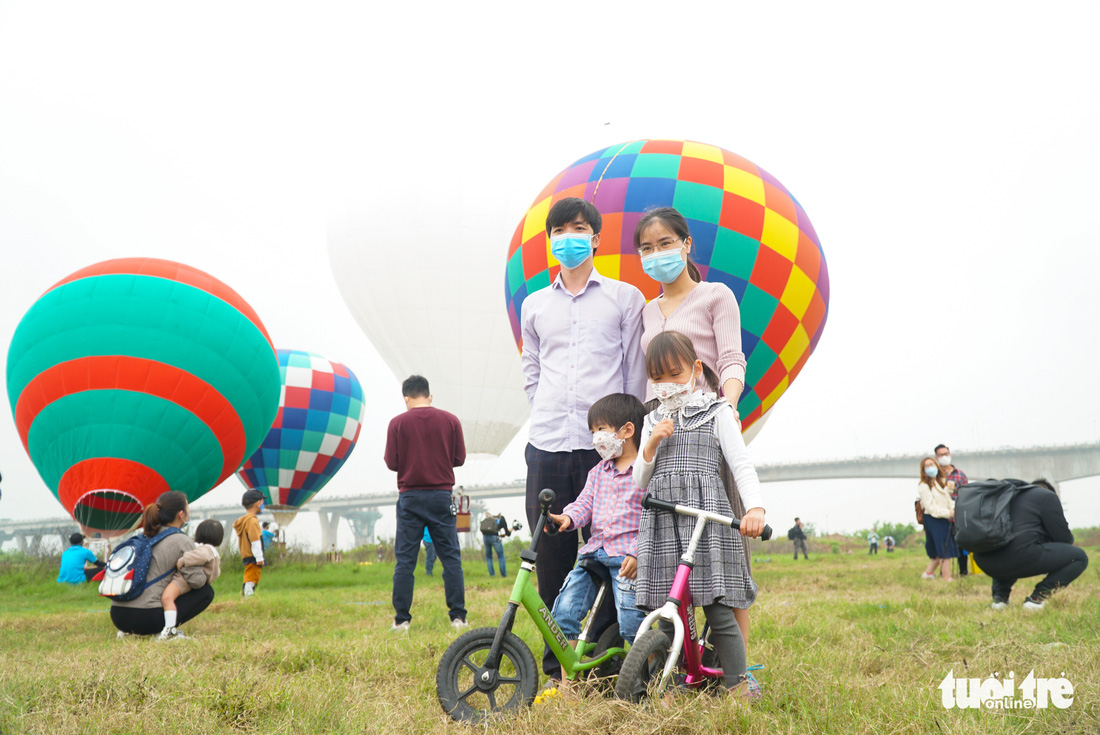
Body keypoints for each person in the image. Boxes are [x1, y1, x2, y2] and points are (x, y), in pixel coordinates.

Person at [520, 197, 646, 676]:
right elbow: (531, 371)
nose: (568, 238)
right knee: (552, 558)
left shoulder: (623, 297)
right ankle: (557, 664)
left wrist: (627, 440)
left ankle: (602, 659)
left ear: (595, 238)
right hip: (549, 444)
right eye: (559, 231)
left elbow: (634, 375)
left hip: (609, 452)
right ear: (549, 241)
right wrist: (547, 413)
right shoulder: (535, 305)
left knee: (613, 555)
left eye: (578, 229)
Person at [634, 207, 758, 649]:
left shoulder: (715, 295)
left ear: (686, 245)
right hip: (665, 428)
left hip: (707, 423)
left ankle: (738, 665)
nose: (656, 255)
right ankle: (677, 655)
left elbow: (730, 358)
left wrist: (728, 404)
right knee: (669, 543)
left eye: (665, 244)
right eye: (646, 248)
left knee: (726, 544)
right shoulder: (647, 311)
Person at [634, 331, 766, 697]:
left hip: (706, 518)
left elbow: (740, 462)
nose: (666, 385)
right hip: (663, 518)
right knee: (667, 607)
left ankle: (738, 685)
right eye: (657, 378)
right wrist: (652, 443)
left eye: (674, 374)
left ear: (694, 369)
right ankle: (675, 682)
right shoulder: (652, 420)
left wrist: (755, 507)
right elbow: (639, 479)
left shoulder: (718, 410)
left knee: (717, 606)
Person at [547, 393, 648, 652]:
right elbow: (583, 504)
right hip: (593, 555)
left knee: (631, 623)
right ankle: (568, 682)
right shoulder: (598, 472)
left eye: (601, 430)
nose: (596, 439)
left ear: (627, 430)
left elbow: (654, 519)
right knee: (564, 612)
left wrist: (638, 554)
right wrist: (567, 518)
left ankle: (651, 674)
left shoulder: (645, 472)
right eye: (593, 432)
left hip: (627, 558)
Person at [385, 374, 468, 631]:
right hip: (441, 495)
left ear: (406, 398)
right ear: (429, 396)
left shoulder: (397, 423)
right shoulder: (450, 420)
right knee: (451, 558)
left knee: (405, 561)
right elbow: (459, 458)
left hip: (410, 497)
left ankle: (402, 620)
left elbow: (391, 463)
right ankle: (458, 617)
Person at [109, 491, 215, 637]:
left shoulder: (143, 536)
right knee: (206, 591)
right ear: (180, 514)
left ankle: (127, 632)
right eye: (187, 509)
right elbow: (196, 581)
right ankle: (168, 630)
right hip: (146, 617)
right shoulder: (182, 540)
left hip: (118, 615)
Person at [974, 479, 1089, 611]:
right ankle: (1037, 599)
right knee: (1079, 557)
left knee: (1008, 546)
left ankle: (1000, 599)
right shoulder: (1047, 496)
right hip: (1019, 556)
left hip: (985, 561)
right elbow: (1065, 539)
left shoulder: (1008, 497)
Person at [158, 519, 223, 641]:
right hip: (194, 583)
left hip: (183, 580)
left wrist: (181, 561)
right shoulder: (214, 552)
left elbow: (195, 556)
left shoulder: (204, 549)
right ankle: (170, 628)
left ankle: (169, 629)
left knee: (167, 598)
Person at [917, 457, 958, 581]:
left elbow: (948, 500)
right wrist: (948, 513)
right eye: (927, 466)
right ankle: (947, 577)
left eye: (932, 464)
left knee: (937, 550)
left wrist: (954, 509)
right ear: (923, 470)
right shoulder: (924, 486)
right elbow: (931, 508)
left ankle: (928, 574)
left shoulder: (941, 482)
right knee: (944, 548)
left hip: (944, 517)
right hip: (933, 519)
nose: (930, 467)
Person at [935, 444, 970, 575]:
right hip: (941, 515)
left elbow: (966, 494)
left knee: (961, 544)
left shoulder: (960, 475)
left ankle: (963, 571)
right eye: (941, 455)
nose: (944, 457)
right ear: (936, 457)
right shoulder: (935, 475)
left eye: (946, 454)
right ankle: (943, 572)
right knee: (942, 545)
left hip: (958, 515)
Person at [234, 489, 266, 597]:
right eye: (262, 502)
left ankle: (247, 596)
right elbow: (255, 540)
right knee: (251, 578)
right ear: (258, 503)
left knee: (252, 576)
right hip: (253, 555)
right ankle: (247, 597)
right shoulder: (252, 521)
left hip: (247, 554)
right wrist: (259, 557)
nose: (262, 505)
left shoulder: (244, 521)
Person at [481, 512, 510, 578]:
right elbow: (507, 532)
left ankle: (492, 575)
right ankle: (503, 575)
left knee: (488, 557)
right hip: (494, 537)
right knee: (501, 556)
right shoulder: (501, 518)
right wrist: (508, 533)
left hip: (485, 537)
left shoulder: (488, 518)